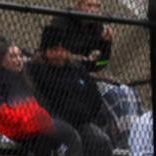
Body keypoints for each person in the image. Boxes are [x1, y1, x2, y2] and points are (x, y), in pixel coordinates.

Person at [27, 24, 115, 156]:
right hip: (55, 124)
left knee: (102, 141)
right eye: (54, 50)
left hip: (82, 123)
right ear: (45, 50)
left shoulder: (78, 69)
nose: (60, 54)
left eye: (63, 50)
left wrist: (106, 46)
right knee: (69, 137)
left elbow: (101, 66)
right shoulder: (35, 70)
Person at [49, 0, 143, 138]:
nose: (93, 10)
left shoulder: (97, 26)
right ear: (78, 5)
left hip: (87, 77)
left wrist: (106, 45)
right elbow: (54, 55)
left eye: (97, 6)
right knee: (115, 95)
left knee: (129, 92)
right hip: (64, 76)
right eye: (89, 5)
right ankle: (129, 138)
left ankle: (134, 138)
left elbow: (101, 64)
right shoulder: (61, 21)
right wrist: (84, 59)